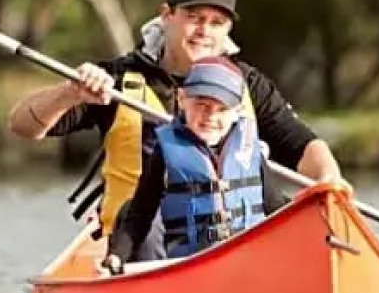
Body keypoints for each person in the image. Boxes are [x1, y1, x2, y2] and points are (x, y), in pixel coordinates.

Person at [6, 0, 350, 259]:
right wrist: (69, 92)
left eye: (216, 22)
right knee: (144, 223)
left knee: (305, 221)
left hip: (232, 243)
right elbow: (22, 125)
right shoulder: (115, 80)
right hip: (139, 246)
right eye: (194, 17)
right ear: (166, 15)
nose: (204, 31)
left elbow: (301, 145)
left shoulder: (246, 84)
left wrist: (330, 181)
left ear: (228, 31)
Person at [103, 56, 286, 272]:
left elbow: (277, 209)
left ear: (237, 112)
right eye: (202, 105)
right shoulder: (165, 152)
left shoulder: (249, 149)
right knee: (128, 212)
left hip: (249, 264)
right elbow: (139, 215)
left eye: (222, 109)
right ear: (182, 99)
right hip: (192, 267)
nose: (210, 117)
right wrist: (116, 258)